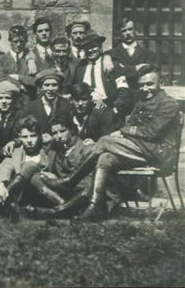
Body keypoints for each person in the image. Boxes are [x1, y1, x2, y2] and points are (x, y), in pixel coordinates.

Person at [78, 65, 181, 221]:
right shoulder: (140, 103)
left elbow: (152, 132)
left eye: (150, 84)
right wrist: (126, 132)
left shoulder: (169, 103)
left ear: (161, 82)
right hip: (140, 151)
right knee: (105, 157)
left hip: (158, 155)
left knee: (105, 141)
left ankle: (69, 182)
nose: (145, 88)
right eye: (141, 85)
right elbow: (130, 125)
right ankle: (96, 206)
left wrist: (125, 132)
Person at [0, 116, 48, 218]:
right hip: (21, 197)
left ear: (39, 136)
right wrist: (0, 186)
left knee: (30, 165)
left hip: (42, 194)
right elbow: (3, 168)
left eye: (33, 136)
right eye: (25, 137)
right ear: (19, 137)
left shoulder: (47, 149)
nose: (29, 140)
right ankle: (2, 202)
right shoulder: (17, 152)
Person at [27, 116, 95, 214]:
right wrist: (14, 142)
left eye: (62, 131)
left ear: (71, 130)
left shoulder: (86, 148)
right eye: (54, 133)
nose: (58, 136)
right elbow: (34, 143)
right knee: (35, 177)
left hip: (80, 190)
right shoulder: (54, 147)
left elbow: (89, 181)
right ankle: (63, 205)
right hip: (61, 190)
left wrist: (60, 180)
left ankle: (60, 210)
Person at [73, 29, 133, 117]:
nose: (90, 50)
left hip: (109, 108)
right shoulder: (80, 68)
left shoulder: (112, 64)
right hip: (87, 111)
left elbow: (124, 91)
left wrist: (115, 109)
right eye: (87, 47)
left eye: (93, 46)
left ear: (100, 47)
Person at [21, 68, 73, 142]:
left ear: (59, 87)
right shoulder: (30, 107)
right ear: (41, 87)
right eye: (46, 85)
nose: (50, 89)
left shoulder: (68, 105)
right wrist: (40, 137)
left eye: (54, 85)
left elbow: (73, 129)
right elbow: (23, 130)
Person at [0, 24, 37, 89]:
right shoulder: (0, 58)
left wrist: (18, 77)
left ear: (26, 42)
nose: (18, 44)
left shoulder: (31, 58)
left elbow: (36, 81)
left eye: (21, 41)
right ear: (10, 41)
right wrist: (19, 85)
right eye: (15, 41)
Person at [0, 80, 24, 161]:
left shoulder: (20, 115)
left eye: (7, 98)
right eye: (0, 98)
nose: (3, 102)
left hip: (13, 154)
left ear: (13, 100)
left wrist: (15, 142)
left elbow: (24, 135)